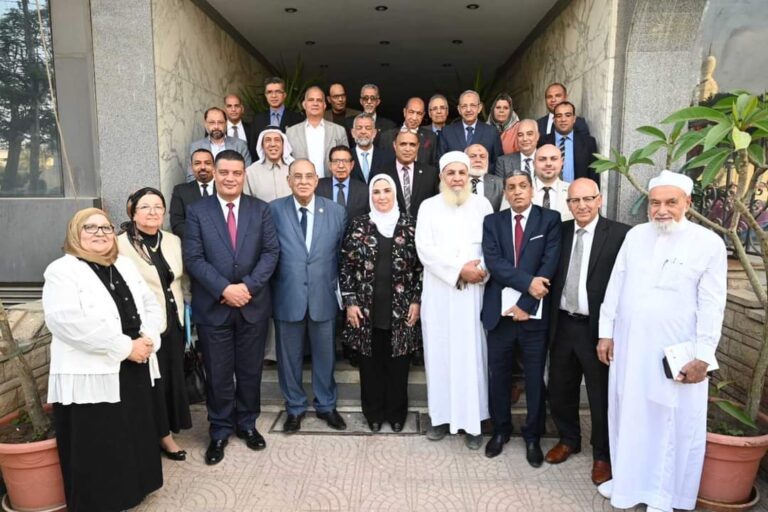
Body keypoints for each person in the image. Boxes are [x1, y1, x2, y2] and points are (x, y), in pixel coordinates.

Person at [596, 170, 727, 512]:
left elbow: (713, 304)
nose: (662, 210)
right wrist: (606, 332)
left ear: (688, 202)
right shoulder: (636, 236)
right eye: (655, 203)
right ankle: (627, 483)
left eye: (671, 202)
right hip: (629, 347)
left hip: (676, 353)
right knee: (628, 414)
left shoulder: (708, 243)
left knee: (667, 422)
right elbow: (616, 284)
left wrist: (703, 356)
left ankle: (662, 496)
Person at [43, 207, 163, 511]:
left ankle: (135, 490)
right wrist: (125, 347)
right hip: (95, 367)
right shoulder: (61, 270)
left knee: (132, 431)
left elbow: (150, 304)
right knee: (101, 439)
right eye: (90, 227)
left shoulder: (123, 264)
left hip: (136, 362)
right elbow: (66, 322)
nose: (100, 233)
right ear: (75, 233)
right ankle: (104, 502)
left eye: (106, 227)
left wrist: (149, 338)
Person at [183, 150, 280, 465]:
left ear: (244, 175)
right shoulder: (197, 211)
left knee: (250, 371)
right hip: (214, 307)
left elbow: (270, 253)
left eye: (236, 173)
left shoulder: (260, 210)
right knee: (219, 373)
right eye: (223, 172)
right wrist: (224, 289)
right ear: (214, 173)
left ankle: (247, 423)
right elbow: (193, 258)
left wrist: (247, 288)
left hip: (253, 306)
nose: (230, 178)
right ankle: (220, 430)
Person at [545, 178, 630, 485]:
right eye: (574, 200)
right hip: (562, 324)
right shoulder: (560, 231)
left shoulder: (621, 235)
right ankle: (569, 439)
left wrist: (613, 330)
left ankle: (602, 454)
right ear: (567, 204)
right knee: (560, 387)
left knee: (600, 393)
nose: (581, 205)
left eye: (587, 199)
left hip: (597, 329)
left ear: (599, 200)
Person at [481, 170, 561, 465]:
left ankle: (532, 436)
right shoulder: (492, 222)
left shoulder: (549, 220)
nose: (517, 192)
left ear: (532, 189)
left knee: (534, 377)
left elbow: (549, 264)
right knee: (498, 376)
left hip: (533, 316)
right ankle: (500, 430)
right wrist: (528, 283)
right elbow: (494, 263)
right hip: (499, 316)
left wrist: (526, 303)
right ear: (505, 192)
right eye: (511, 187)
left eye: (522, 186)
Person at [415, 151, 493, 450]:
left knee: (472, 358)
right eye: (451, 173)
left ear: (469, 176)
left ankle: (474, 422)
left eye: (462, 173)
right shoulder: (428, 207)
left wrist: (479, 270)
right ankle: (440, 418)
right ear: (441, 177)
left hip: (473, 295)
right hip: (440, 294)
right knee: (440, 356)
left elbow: (492, 247)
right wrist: (459, 269)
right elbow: (424, 249)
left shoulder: (483, 205)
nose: (457, 178)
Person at [269, 159, 348, 433]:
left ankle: (326, 405)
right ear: (289, 181)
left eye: (308, 176)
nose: (303, 181)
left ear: (317, 180)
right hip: (287, 295)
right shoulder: (273, 210)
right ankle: (294, 407)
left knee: (325, 356)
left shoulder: (336, 211)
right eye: (297, 177)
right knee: (288, 358)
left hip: (323, 295)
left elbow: (341, 255)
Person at [340, 173, 422, 432]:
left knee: (399, 365)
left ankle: (397, 415)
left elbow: (421, 267)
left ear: (395, 194)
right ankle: (373, 414)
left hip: (401, 309)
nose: (382, 196)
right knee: (369, 365)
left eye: (387, 191)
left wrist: (416, 300)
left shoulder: (410, 225)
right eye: (377, 192)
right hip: (365, 310)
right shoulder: (359, 224)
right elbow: (346, 265)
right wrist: (350, 302)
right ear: (370, 196)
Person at [117, 188, 192, 461]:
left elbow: (182, 280)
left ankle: (167, 426)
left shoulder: (172, 240)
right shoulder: (120, 245)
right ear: (133, 213)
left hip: (174, 321)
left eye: (158, 207)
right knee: (151, 382)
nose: (153, 212)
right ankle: (161, 436)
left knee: (172, 378)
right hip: (144, 327)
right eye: (145, 207)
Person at [286, 86, 349, 178]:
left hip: (330, 183)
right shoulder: (291, 132)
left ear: (324, 105)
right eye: (311, 100)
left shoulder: (339, 130)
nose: (315, 103)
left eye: (319, 100)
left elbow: (346, 161)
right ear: (304, 104)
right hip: (302, 183)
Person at [438, 90, 503, 175]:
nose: (468, 110)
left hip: (484, 181)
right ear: (459, 109)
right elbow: (441, 162)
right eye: (464, 106)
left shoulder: (492, 132)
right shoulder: (447, 132)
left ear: (479, 108)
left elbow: (498, 162)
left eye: (472, 105)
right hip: (455, 181)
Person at [383, 129, 440, 219]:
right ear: (394, 145)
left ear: (418, 147)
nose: (407, 149)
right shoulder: (382, 173)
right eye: (403, 144)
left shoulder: (431, 173)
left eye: (412, 145)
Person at [539, 101, 598, 184]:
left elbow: (594, 175)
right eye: (559, 116)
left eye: (568, 115)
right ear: (554, 120)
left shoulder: (588, 143)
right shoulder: (542, 142)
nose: (563, 119)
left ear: (574, 119)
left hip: (579, 191)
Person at [186, 107, 251, 182]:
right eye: (212, 122)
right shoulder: (196, 147)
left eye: (220, 122)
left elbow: (247, 174)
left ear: (226, 123)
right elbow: (191, 177)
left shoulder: (240, 145)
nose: (216, 127)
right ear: (205, 124)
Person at [249, 76, 304, 156]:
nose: (274, 96)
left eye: (278, 92)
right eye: (269, 92)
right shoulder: (257, 119)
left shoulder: (297, 119)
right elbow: (253, 150)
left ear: (284, 95)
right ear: (265, 95)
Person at [377, 97, 438, 168]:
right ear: (404, 112)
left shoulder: (431, 137)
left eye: (419, 113)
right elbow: (381, 164)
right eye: (411, 112)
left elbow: (434, 166)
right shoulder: (387, 137)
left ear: (423, 115)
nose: (414, 118)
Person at [170, 148, 215, 238]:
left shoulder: (226, 189)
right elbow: (177, 224)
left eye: (207, 163)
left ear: (214, 166)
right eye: (197, 163)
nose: (203, 167)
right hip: (193, 243)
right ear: (191, 167)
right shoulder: (180, 191)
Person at [318, 145, 370, 219]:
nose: (341, 166)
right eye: (336, 161)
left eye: (345, 161)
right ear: (330, 165)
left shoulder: (363, 190)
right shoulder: (318, 187)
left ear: (352, 165)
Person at [245, 126, 294, 202]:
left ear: (283, 144)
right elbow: (247, 202)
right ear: (262, 145)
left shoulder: (295, 169)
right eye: (268, 140)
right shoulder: (250, 172)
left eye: (277, 140)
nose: (272, 144)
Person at [532, 144, 573, 221]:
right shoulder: (517, 191)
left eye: (553, 159)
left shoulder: (572, 191)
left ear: (562, 162)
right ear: (534, 164)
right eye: (542, 159)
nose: (548, 163)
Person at [350, 113, 394, 183]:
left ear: (374, 133)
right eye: (359, 128)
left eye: (368, 128)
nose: (363, 132)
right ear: (353, 133)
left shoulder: (388, 158)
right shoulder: (347, 157)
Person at [465, 143, 504, 212]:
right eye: (473, 156)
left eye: (482, 157)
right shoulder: (457, 181)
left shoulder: (499, 183)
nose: (478, 160)